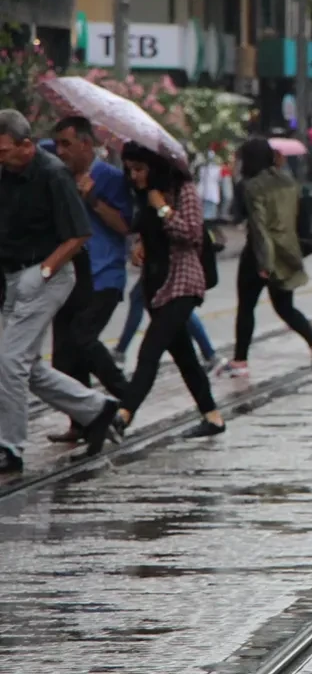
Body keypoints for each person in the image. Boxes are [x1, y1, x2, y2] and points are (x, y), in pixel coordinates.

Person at [0, 110, 122, 469]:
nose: (1, 157)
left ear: (27, 145)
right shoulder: (5, 175)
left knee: (9, 362)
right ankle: (97, 409)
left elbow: (79, 233)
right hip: (11, 277)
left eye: (5, 150)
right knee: (22, 364)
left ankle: (9, 447)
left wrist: (45, 270)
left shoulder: (53, 175)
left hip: (47, 276)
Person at [116, 141, 226, 440]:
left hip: (183, 282)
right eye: (130, 170)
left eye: (140, 169)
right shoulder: (143, 195)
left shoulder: (183, 190)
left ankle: (124, 415)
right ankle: (213, 417)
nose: (134, 176)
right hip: (156, 285)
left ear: (155, 167)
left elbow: (191, 233)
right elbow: (147, 232)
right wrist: (140, 246)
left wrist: (162, 207)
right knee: (184, 356)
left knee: (150, 349)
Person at [47, 116, 134, 444]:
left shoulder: (109, 178)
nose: (61, 151)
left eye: (67, 144)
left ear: (86, 143)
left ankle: (126, 396)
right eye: (58, 145)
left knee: (83, 338)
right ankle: (80, 422)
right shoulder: (58, 177)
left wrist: (94, 199)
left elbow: (125, 226)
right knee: (64, 354)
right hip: (67, 276)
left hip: (103, 275)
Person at [218, 138, 312, 379]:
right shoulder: (289, 182)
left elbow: (259, 227)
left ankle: (240, 361)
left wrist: (264, 264)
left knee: (246, 307)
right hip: (287, 251)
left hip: (259, 255)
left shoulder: (252, 186)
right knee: (285, 307)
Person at [114, 279, 224, 372]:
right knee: (178, 303)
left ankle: (120, 352)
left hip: (168, 261)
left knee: (176, 303)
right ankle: (210, 354)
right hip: (172, 262)